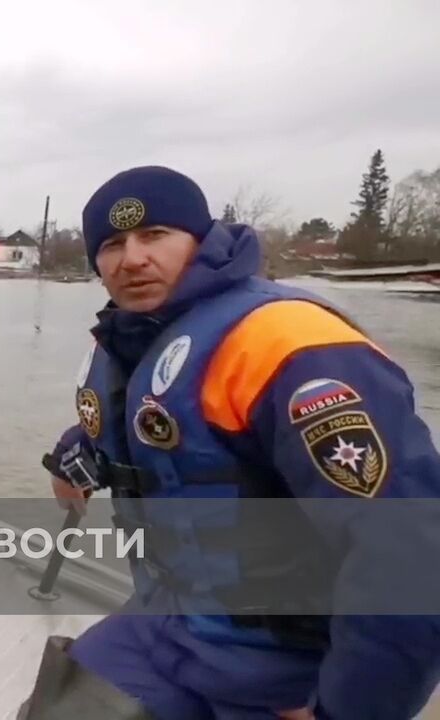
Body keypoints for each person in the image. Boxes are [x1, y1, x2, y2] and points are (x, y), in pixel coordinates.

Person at [42, 166, 440, 719]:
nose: (132, 258)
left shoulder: (294, 346)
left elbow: (410, 554)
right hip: (166, 626)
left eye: (155, 235)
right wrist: (80, 454)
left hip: (289, 666)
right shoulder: (131, 335)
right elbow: (145, 429)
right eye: (111, 245)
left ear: (201, 240)